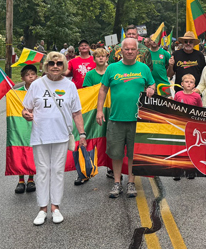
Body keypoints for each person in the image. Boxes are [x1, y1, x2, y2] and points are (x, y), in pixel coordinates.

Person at [22, 52, 87, 226]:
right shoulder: (36, 84)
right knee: (42, 171)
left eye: (59, 63)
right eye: (52, 63)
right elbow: (26, 108)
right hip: (41, 135)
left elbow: (77, 112)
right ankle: (42, 209)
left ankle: (55, 208)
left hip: (61, 135)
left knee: (57, 171)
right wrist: (26, 115)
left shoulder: (70, 85)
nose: (55, 66)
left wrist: (82, 134)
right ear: (46, 65)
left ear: (64, 65)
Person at [96, 38, 155, 198]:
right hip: (116, 118)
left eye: (132, 49)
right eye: (126, 49)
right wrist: (99, 110)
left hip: (137, 119)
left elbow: (152, 84)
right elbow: (103, 89)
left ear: (137, 51)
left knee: (133, 153)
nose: (129, 51)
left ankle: (131, 182)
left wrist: (150, 88)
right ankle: (116, 182)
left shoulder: (144, 68)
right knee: (116, 153)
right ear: (121, 51)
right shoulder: (112, 68)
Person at [15, 65, 38, 194]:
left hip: (34, 124)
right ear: (22, 77)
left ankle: (30, 179)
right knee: (20, 150)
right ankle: (20, 180)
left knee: (31, 151)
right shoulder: (17, 92)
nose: (30, 76)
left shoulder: (39, 90)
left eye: (33, 74)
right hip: (20, 126)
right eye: (27, 74)